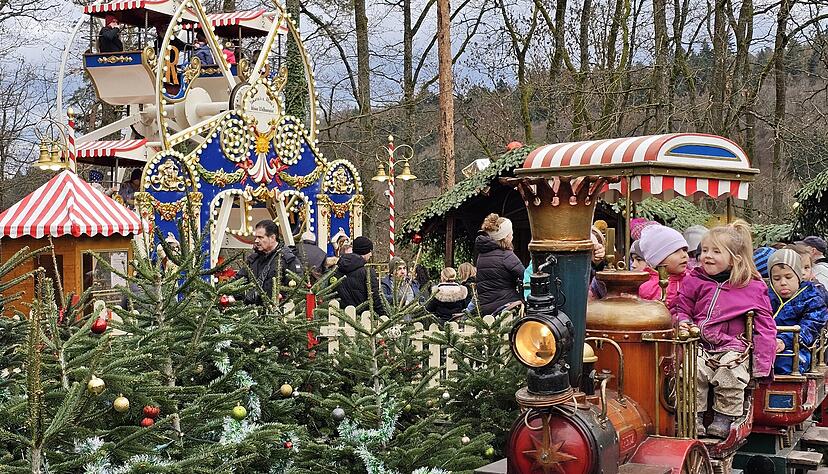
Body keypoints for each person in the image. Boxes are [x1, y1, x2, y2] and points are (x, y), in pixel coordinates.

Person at [672, 221, 776, 439]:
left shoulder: (752, 287)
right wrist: (682, 321)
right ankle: (693, 416)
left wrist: (762, 365)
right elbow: (681, 307)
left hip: (732, 344)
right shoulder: (695, 279)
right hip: (698, 340)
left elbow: (766, 327)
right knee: (691, 370)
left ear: (734, 259)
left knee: (730, 372)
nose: (707, 256)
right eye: (705, 250)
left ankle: (724, 417)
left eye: (716, 251)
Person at [767, 249, 828, 374]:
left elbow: (810, 326)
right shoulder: (766, 296)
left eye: (788, 277)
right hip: (766, 345)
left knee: (784, 362)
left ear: (798, 276)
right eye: (777, 279)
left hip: (799, 348)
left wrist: (784, 341)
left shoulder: (812, 298)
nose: (783, 283)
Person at [235, 220, 303, 305]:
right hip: (253, 312)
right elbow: (238, 281)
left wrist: (280, 298)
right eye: (256, 237)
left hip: (278, 313)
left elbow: (297, 290)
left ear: (272, 238)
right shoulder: (253, 259)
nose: (256, 241)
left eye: (260, 237)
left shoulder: (288, 260)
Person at [475, 213, 525, 315]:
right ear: (505, 237)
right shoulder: (506, 255)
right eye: (511, 233)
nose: (512, 235)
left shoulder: (482, 255)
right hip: (505, 306)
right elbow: (525, 275)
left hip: (485, 306)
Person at [637, 225, 690, 308]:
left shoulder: (692, 281)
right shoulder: (647, 288)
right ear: (658, 259)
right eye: (675, 251)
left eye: (684, 250)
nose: (684, 255)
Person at [333, 236, 386, 315]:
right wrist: (383, 316)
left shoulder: (336, 269)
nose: (371, 254)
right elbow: (374, 297)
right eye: (370, 251)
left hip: (339, 316)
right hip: (362, 317)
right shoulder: (367, 272)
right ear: (365, 251)